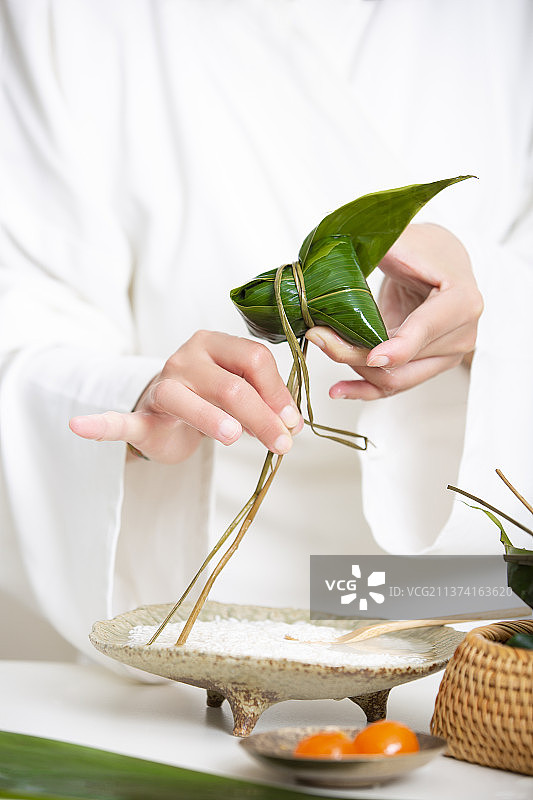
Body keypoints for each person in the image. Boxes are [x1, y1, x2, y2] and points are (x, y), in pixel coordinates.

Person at [1, 0, 532, 662]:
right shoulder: (61, 17)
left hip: (461, 608)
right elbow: (26, 318)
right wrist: (139, 395)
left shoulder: (501, 22)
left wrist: (493, 302)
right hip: (197, 617)